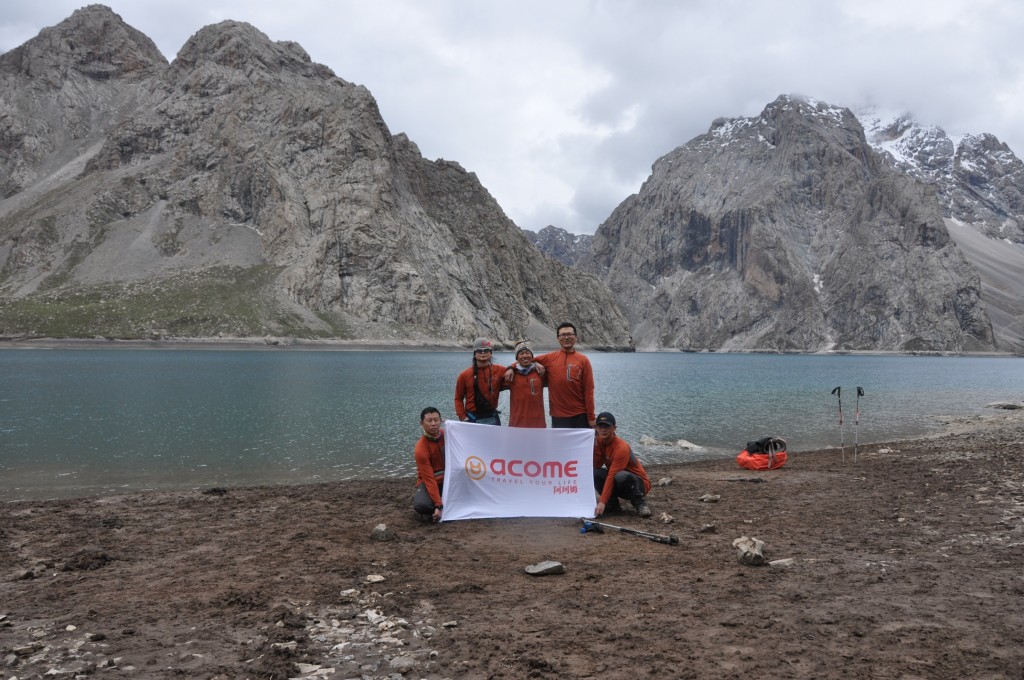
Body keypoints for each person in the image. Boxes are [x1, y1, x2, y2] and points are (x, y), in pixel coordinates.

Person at [534, 322, 595, 428]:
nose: (566, 337)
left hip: (580, 416)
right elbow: (523, 360)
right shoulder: (550, 358)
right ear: (558, 338)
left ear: (575, 337)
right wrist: (512, 368)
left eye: (570, 334)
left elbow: (589, 391)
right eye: (563, 335)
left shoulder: (583, 360)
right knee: (559, 445)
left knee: (579, 445)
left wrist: (591, 417)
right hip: (558, 417)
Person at [592, 411, 652, 517]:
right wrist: (596, 446)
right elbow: (596, 465)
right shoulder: (600, 442)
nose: (603, 429)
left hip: (639, 485)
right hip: (620, 483)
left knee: (620, 475)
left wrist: (602, 501)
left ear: (614, 428)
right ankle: (613, 505)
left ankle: (641, 504)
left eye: (607, 426)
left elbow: (611, 475)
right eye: (600, 426)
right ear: (596, 428)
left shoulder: (621, 447)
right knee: (595, 473)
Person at [454, 337, 507, 425]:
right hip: (472, 417)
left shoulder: (499, 370)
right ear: (474, 354)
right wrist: (462, 417)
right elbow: (458, 398)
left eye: (486, 350)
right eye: (479, 351)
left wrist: (512, 369)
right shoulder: (464, 375)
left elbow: (518, 369)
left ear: (491, 353)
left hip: (492, 416)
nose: (483, 353)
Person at [412, 406, 445, 522]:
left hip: (448, 480)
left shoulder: (448, 436)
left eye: (436, 420)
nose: (433, 424)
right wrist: (438, 505)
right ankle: (439, 503)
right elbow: (429, 479)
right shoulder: (420, 449)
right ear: (421, 423)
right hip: (430, 482)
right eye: (429, 420)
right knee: (422, 505)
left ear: (441, 421)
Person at [507, 340, 546, 428]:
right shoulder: (510, 375)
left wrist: (536, 362)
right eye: (521, 353)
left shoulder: (541, 372)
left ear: (532, 356)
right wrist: (511, 367)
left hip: (538, 423)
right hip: (517, 423)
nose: (525, 356)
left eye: (527, 353)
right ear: (517, 358)